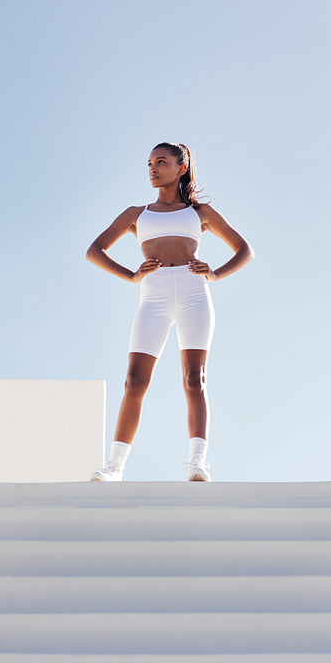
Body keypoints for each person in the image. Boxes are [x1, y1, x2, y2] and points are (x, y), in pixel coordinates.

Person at [86, 142, 254, 482]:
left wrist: (216, 273)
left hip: (194, 293)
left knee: (195, 379)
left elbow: (244, 250)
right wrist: (131, 276)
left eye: (160, 162)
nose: (152, 168)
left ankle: (197, 464)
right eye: (149, 163)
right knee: (134, 380)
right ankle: (115, 467)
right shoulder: (136, 214)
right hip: (154, 295)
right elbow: (95, 250)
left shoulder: (200, 213)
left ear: (181, 167)